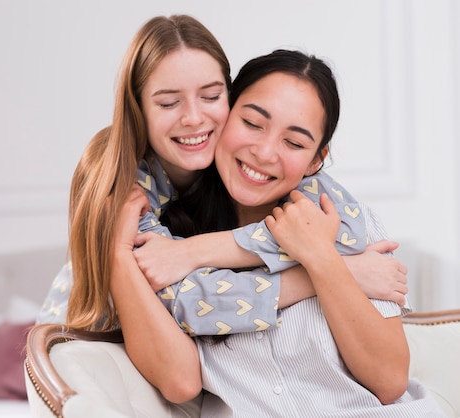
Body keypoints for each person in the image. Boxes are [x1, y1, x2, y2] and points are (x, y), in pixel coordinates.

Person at [111, 49, 445, 416]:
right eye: (253, 123)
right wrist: (116, 250)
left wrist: (322, 259)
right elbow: (178, 379)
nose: (265, 152)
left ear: (316, 160)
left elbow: (389, 380)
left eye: (295, 142)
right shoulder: (164, 243)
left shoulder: (346, 226)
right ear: (224, 117)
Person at [37, 15, 408, 332]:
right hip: (85, 349)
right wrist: (334, 276)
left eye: (211, 97)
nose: (194, 117)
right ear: (137, 108)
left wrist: (193, 252)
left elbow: (342, 231)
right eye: (168, 102)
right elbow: (191, 304)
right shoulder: (124, 182)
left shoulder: (236, 164)